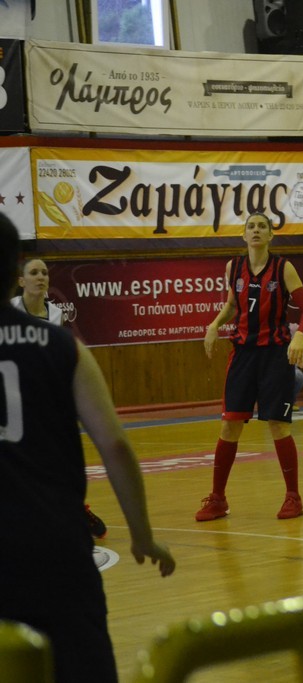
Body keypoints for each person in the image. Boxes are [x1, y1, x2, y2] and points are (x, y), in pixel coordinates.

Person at [0, 212, 175, 682]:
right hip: (57, 547)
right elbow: (114, 444)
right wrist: (141, 535)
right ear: (14, 271)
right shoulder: (63, 347)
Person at [195, 212, 303, 522]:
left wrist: (299, 335)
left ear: (271, 235)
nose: (256, 230)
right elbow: (232, 305)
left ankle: (293, 497)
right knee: (229, 425)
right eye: (251, 226)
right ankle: (218, 499)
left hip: (275, 354)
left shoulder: (283, 267)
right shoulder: (233, 267)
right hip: (243, 355)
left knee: (278, 424)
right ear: (244, 234)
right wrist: (214, 325)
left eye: (262, 226)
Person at [11, 256, 108, 540]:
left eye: (44, 272)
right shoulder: (9, 311)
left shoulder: (55, 314)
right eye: (34, 272)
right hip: (12, 397)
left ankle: (75, 509)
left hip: (43, 398)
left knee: (55, 461)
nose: (41, 277)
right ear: (21, 281)